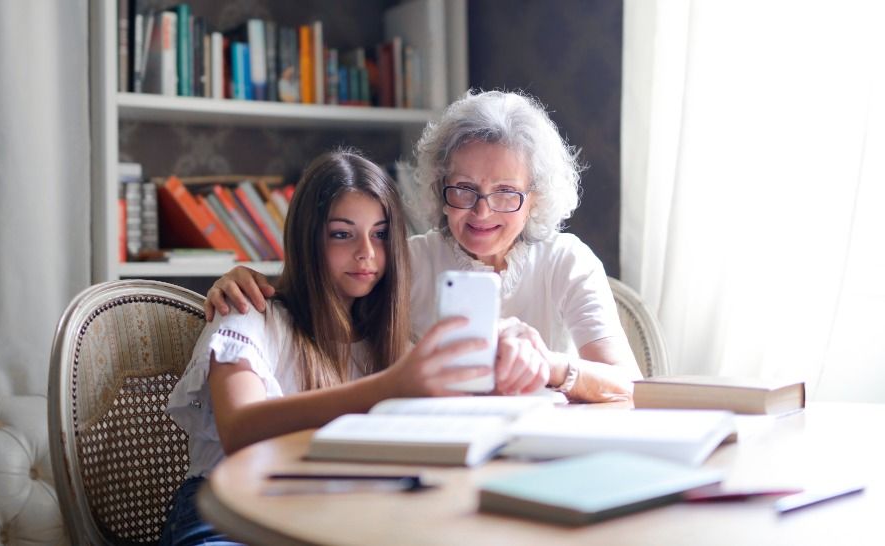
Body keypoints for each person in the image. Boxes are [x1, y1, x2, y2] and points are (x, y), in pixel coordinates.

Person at [205, 90, 642, 402]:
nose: (481, 212)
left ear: (536, 199)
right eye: (464, 189)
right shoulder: (406, 260)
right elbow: (321, 289)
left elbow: (628, 384)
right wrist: (244, 280)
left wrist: (550, 365)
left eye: (506, 193)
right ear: (439, 187)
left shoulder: (567, 260)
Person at [159, 150, 491, 546]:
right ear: (308, 238)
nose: (366, 251)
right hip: (224, 515)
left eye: (380, 234)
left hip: (330, 510)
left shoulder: (391, 342)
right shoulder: (249, 313)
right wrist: (390, 387)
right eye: (342, 233)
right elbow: (239, 430)